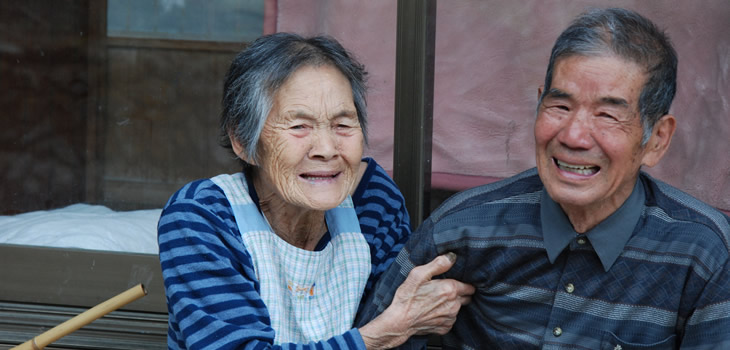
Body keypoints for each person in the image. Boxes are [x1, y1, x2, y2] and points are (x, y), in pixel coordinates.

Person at [356, 8, 730, 349]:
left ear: (657, 139)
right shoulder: (462, 229)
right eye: (560, 106)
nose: (572, 136)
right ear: (538, 104)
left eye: (607, 115)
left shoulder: (702, 253)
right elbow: (379, 336)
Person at [158, 33, 474, 350]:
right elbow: (391, 329)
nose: (326, 149)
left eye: (342, 125)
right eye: (299, 126)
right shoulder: (200, 218)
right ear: (243, 141)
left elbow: (404, 327)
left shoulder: (373, 200)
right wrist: (377, 337)